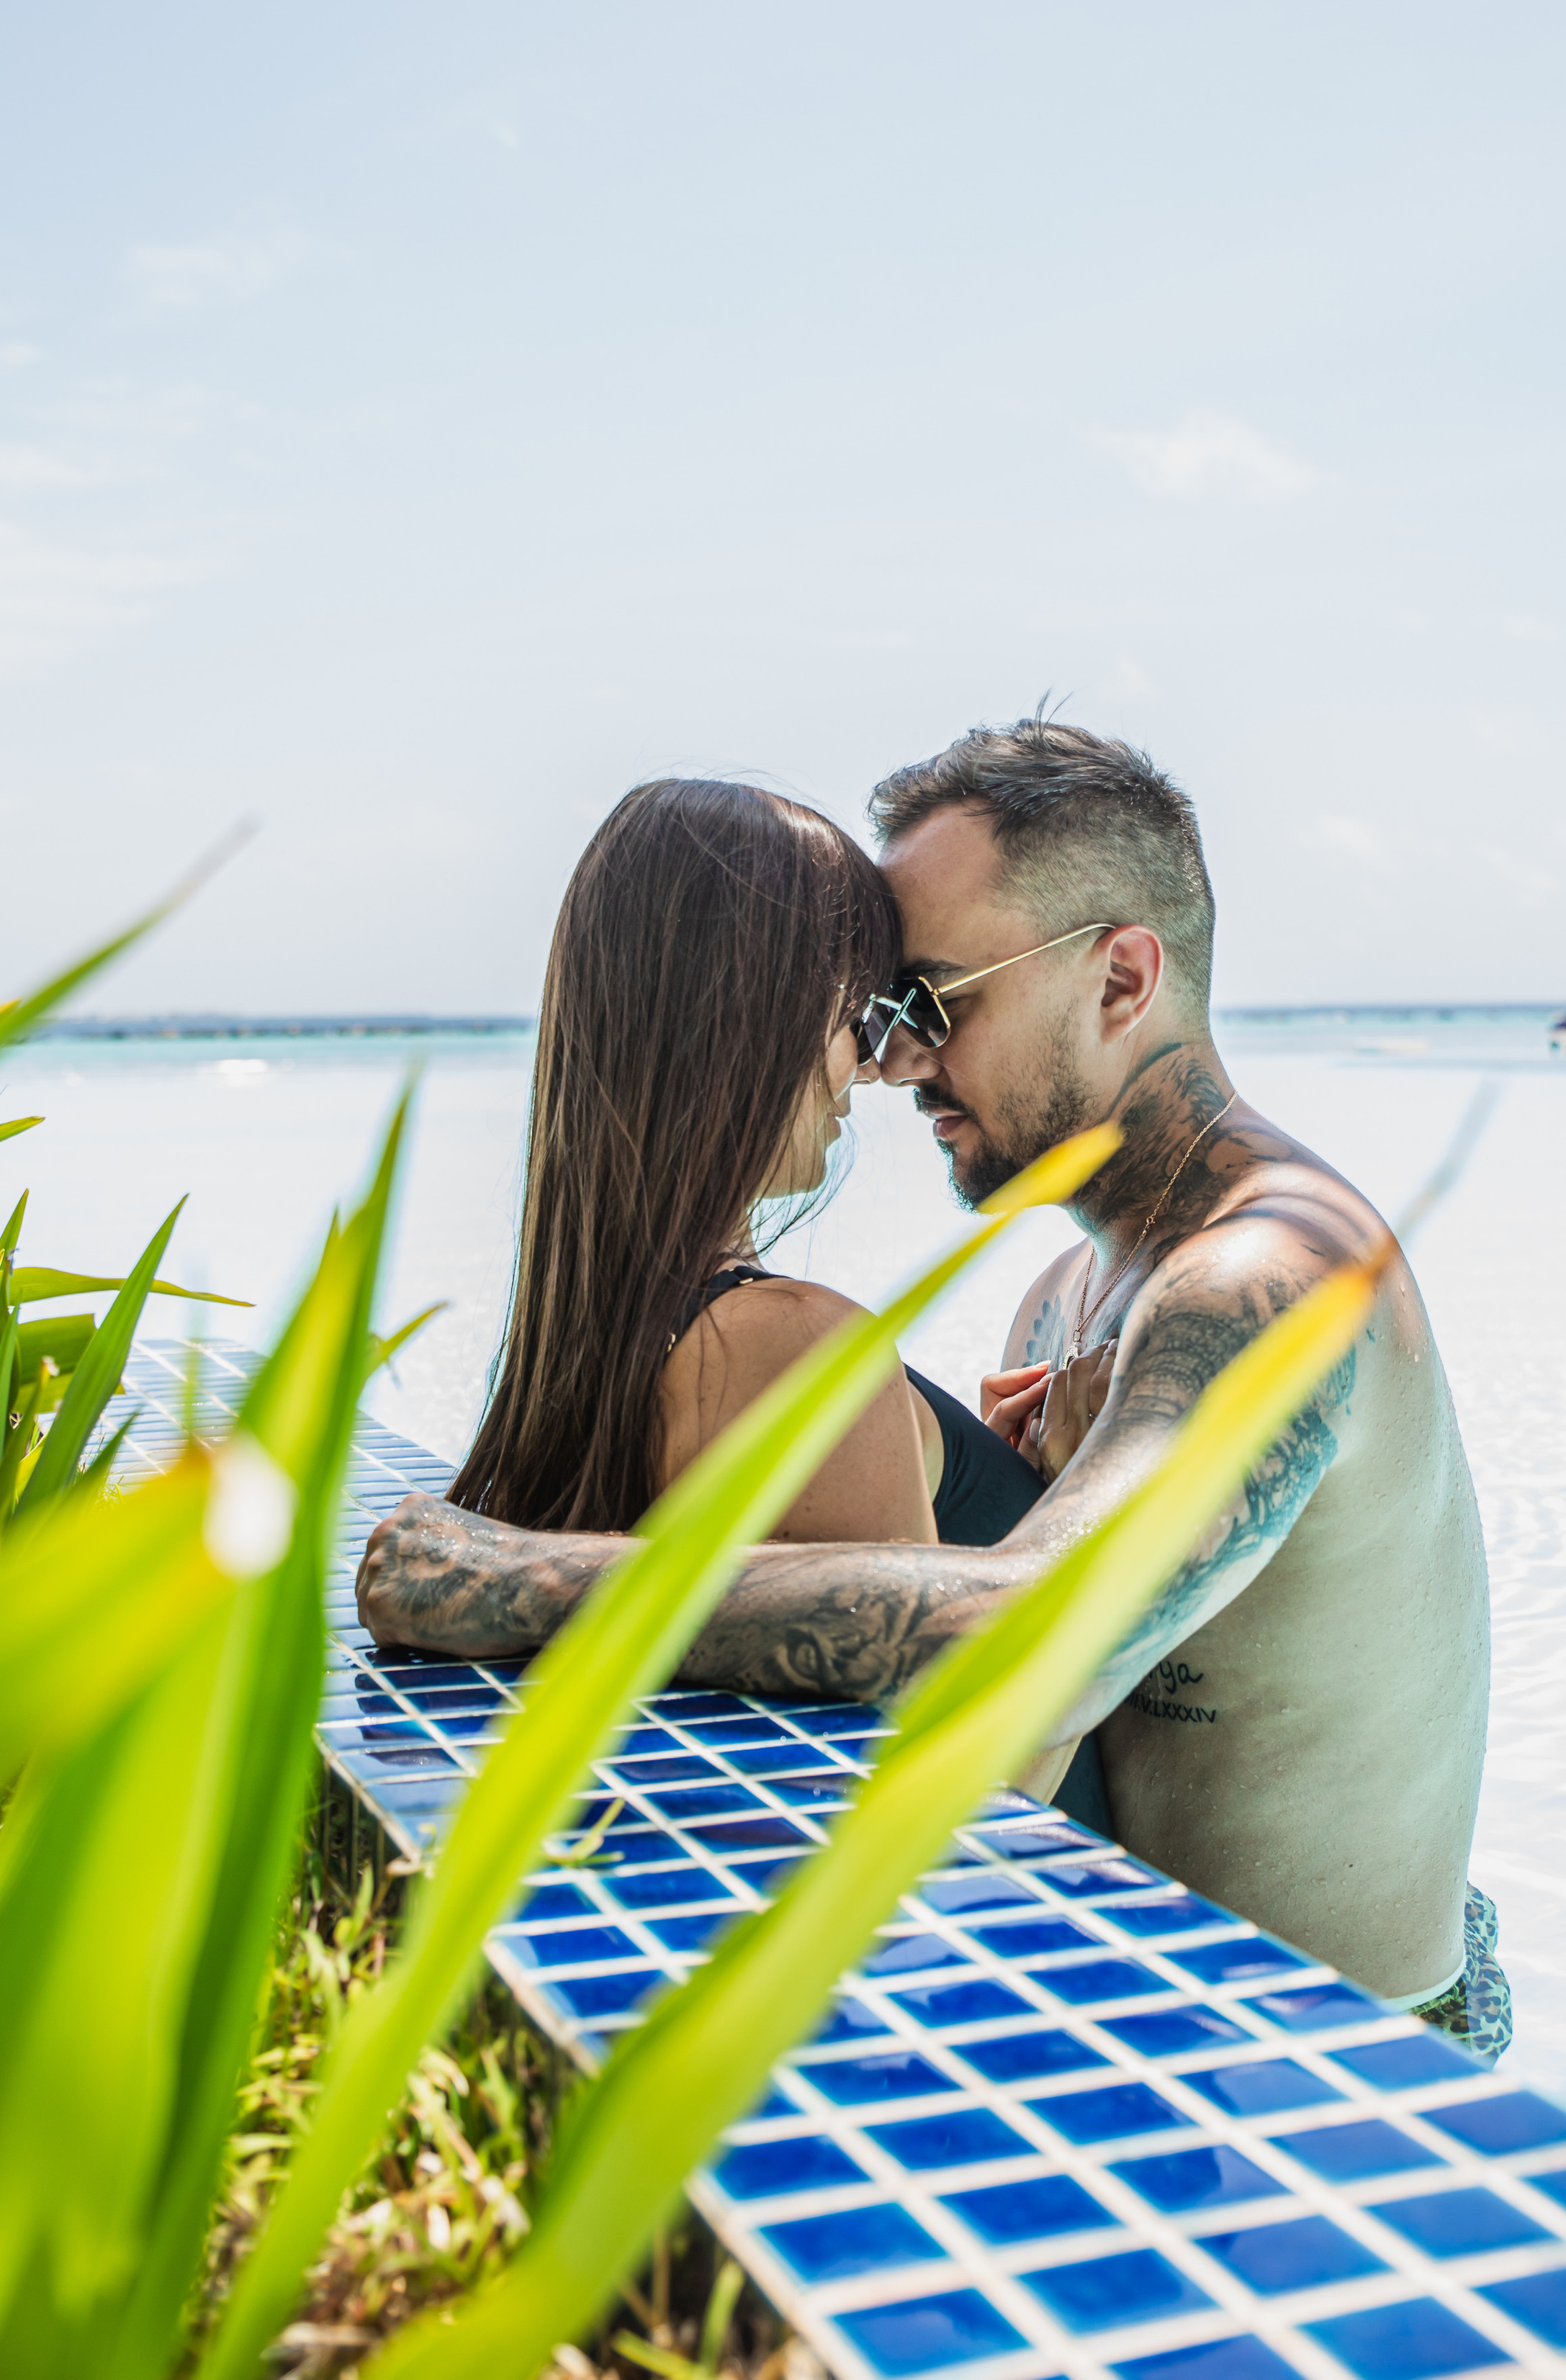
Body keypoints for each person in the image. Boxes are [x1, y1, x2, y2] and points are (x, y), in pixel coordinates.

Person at [361, 721, 1506, 2056]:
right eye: (882, 1012)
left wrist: (509, 1580)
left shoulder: (1272, 1276)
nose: (893, 1062)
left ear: (1121, 979)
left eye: (938, 1002)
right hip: (1149, 2018)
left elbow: (1029, 1646)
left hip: (1346, 2062)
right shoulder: (1066, 1307)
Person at [436, 775, 1114, 1832]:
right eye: (857, 1014)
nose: (875, 1065)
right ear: (747, 1025)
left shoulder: (603, 1335)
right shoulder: (787, 1348)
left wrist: (964, 1486)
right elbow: (956, 1809)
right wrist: (1082, 1525)